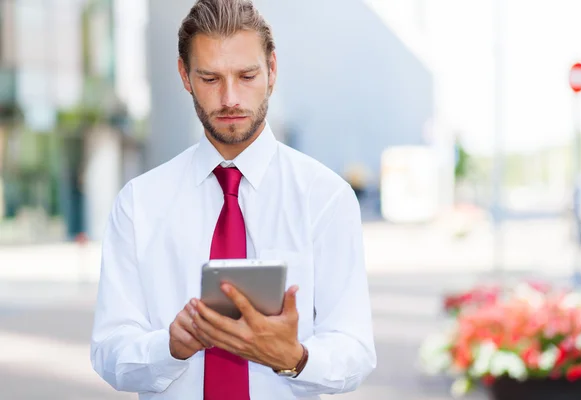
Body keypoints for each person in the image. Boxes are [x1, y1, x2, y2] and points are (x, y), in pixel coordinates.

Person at [90, 1, 376, 399]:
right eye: (209, 78)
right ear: (184, 76)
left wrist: (294, 356)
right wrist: (168, 347)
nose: (229, 98)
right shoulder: (139, 203)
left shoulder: (324, 197)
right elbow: (108, 350)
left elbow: (356, 347)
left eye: (246, 76)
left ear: (272, 71)